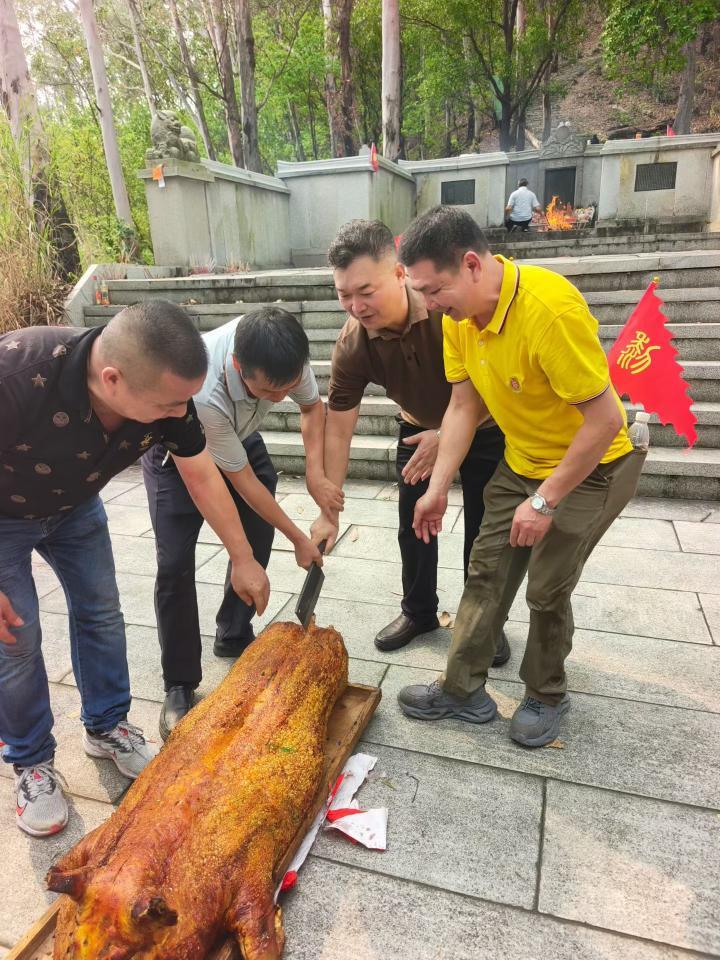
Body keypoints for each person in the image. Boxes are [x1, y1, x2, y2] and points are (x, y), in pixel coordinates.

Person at [0, 301, 270, 836]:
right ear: (112, 380)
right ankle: (31, 763)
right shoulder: (18, 375)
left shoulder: (171, 399)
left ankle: (106, 727)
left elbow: (200, 473)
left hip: (75, 506)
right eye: (169, 404)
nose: (181, 413)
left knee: (101, 612)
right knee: (16, 637)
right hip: (4, 516)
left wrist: (242, 557)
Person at [395, 206, 645, 747]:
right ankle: (462, 690)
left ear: (471, 265)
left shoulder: (548, 310)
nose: (429, 305)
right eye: (421, 293)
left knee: (547, 586)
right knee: (486, 571)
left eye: (434, 290)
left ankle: (546, 694)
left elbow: (606, 421)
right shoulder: (459, 320)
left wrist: (545, 501)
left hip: (592, 467)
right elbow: (464, 406)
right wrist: (437, 488)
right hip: (522, 460)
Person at [310, 219, 508, 658]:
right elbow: (338, 428)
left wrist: (447, 434)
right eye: (344, 295)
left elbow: (490, 380)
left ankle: (484, 622)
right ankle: (419, 612)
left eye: (366, 291)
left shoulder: (446, 307)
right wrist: (328, 510)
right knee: (413, 524)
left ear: (400, 274)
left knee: (485, 529)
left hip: (487, 424)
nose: (356, 306)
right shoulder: (353, 345)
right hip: (418, 429)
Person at [143, 306, 342, 739]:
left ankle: (234, 633)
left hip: (238, 436)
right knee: (174, 564)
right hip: (178, 452)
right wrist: (297, 538)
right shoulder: (205, 389)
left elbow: (312, 408)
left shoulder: (283, 354)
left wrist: (315, 474)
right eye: (269, 391)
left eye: (287, 386)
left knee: (257, 530)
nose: (280, 398)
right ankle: (179, 683)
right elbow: (242, 481)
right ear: (238, 366)